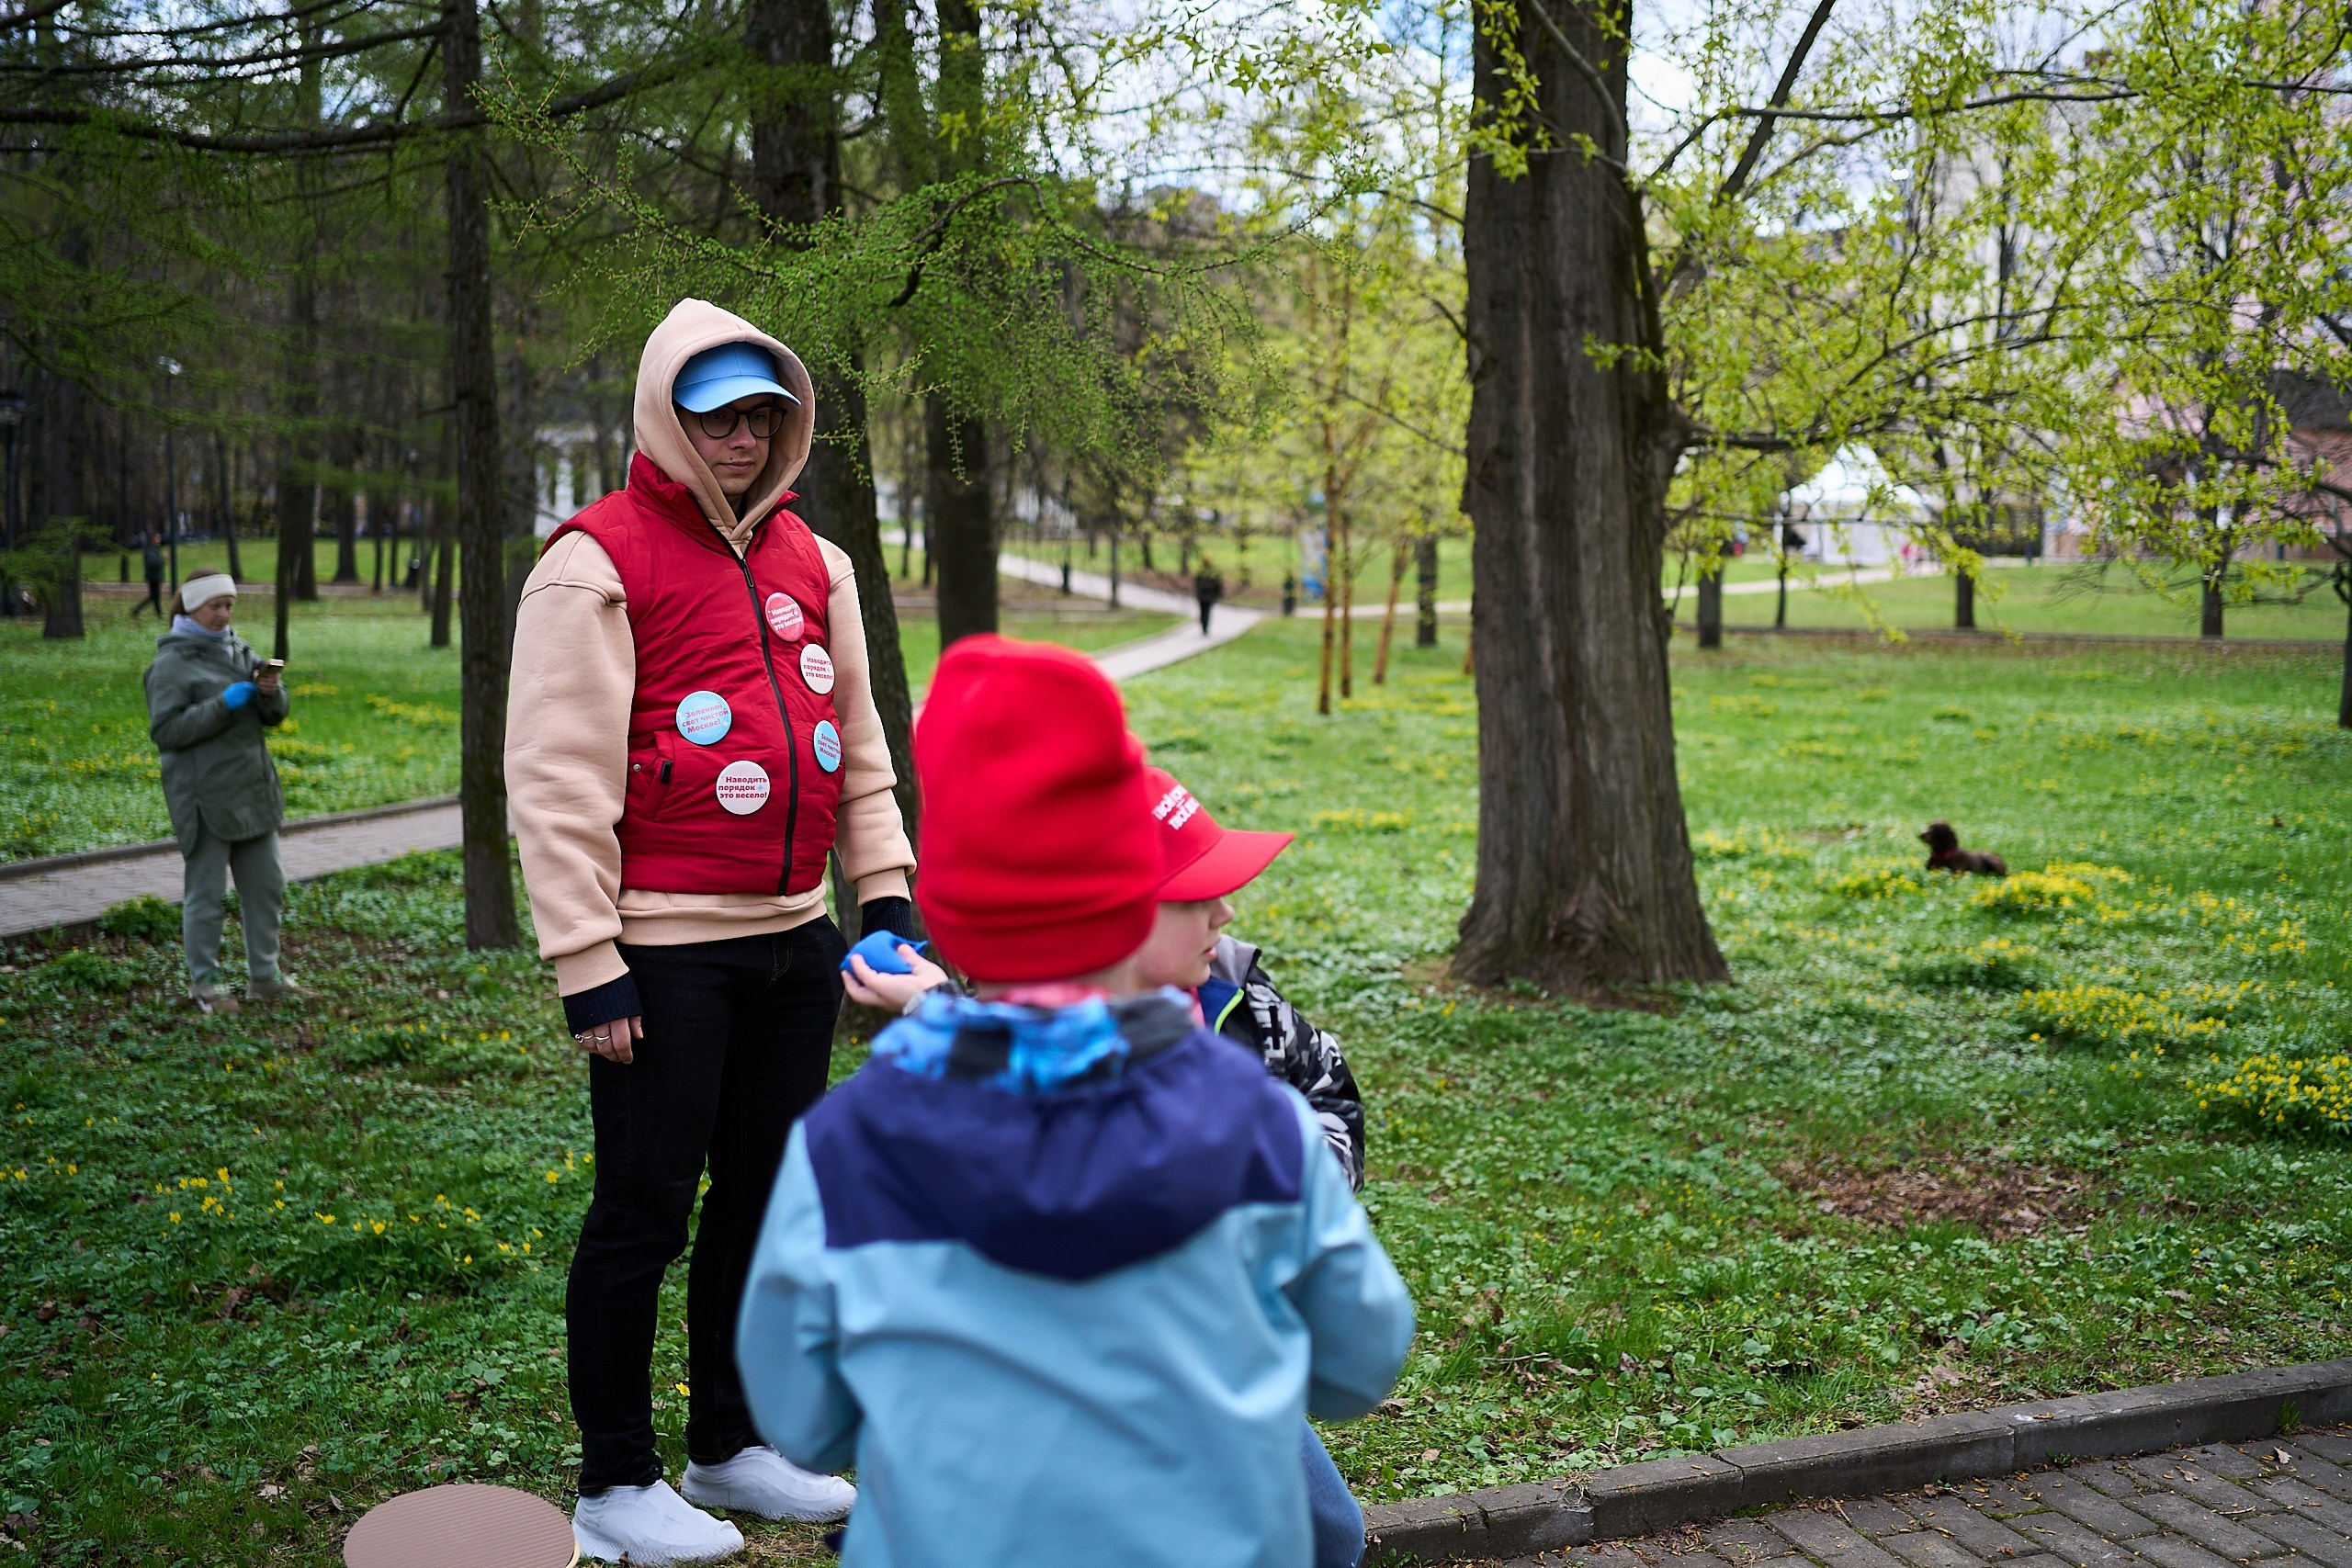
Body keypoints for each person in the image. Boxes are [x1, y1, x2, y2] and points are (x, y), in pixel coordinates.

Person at [740, 636, 1414, 1568]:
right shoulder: (1251, 1120)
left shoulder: (846, 1144)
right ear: (1128, 902)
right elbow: (1359, 1358)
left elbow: (805, 1421)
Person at [505, 299, 917, 1565]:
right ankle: (614, 1479)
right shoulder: (595, 558)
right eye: (715, 411)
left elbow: (855, 745)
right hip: (661, 952)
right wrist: (588, 960)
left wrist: (884, 893)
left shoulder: (821, 563)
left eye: (761, 413)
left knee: (759, 1202)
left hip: (796, 943)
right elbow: (556, 777)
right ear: (667, 415)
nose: (741, 433)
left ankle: (728, 1443)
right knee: (643, 1210)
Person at [845, 762, 1374, 1568]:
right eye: (1197, 896)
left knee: (1329, 1536)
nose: (1226, 911)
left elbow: (1327, 1092)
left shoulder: (1239, 997)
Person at [142, 572, 300, 1014]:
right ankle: (205, 984)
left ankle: (264, 978)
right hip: (204, 798)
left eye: (229, 606)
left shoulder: (239, 650)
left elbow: (274, 715)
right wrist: (222, 704)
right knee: (206, 896)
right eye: (215, 606)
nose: (224, 615)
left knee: (266, 888)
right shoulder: (170, 666)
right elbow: (166, 731)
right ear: (190, 608)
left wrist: (271, 693)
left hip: (252, 791)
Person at [130, 531, 166, 619]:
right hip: (153, 577)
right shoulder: (149, 550)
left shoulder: (155, 550)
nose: (159, 540)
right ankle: (137, 610)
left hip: (156, 576)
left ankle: (158, 613)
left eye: (159, 538)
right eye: (157, 538)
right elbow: (152, 563)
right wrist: (162, 561)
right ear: (152, 540)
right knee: (154, 596)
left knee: (155, 596)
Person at [1194, 555, 1226, 635]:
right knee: (1206, 611)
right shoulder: (1211, 572)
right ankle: (1205, 626)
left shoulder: (1202, 571)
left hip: (1204, 596)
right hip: (1208, 596)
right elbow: (1218, 584)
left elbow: (1197, 584)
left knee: (1204, 611)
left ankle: (1204, 626)